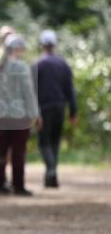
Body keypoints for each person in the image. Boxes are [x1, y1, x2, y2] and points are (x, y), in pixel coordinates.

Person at [0, 34, 41, 196]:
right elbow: (28, 93)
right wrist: (35, 114)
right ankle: (18, 185)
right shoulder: (21, 67)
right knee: (18, 151)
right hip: (18, 117)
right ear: (18, 49)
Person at [31, 29, 77, 188]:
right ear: (55, 44)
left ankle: (50, 169)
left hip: (43, 109)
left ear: (42, 45)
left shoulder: (38, 64)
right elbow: (70, 89)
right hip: (59, 108)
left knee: (44, 141)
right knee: (55, 141)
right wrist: (73, 111)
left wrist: (34, 111)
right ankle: (51, 179)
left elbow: (32, 91)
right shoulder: (63, 64)